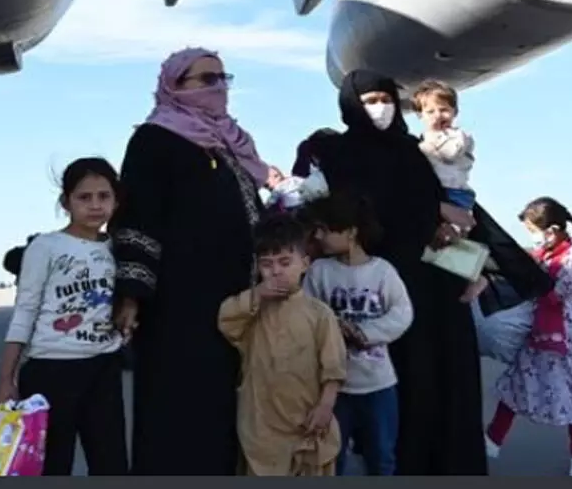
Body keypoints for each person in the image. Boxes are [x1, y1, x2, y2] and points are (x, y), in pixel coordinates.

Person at [291, 69, 551, 476]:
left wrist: (471, 258)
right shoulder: (340, 153)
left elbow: (453, 218)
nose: (380, 107)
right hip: (377, 285)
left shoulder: (414, 150)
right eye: (370, 99)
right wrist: (431, 212)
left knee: (446, 380)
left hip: (434, 285)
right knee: (398, 390)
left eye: (386, 97)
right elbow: (363, 208)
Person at [111, 48, 270, 475]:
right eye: (205, 78)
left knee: (226, 414)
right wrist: (131, 294)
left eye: (223, 77)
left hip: (236, 304)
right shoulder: (154, 140)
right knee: (178, 414)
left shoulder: (230, 142)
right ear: (174, 85)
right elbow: (137, 218)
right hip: (179, 308)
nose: (217, 86)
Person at [0, 158, 128, 476]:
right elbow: (25, 310)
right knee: (52, 465)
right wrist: (5, 378)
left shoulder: (118, 249)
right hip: (50, 372)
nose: (95, 205)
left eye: (103, 196)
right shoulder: (46, 247)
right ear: (65, 202)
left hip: (103, 369)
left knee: (111, 464)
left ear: (116, 200)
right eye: (84, 197)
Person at [484, 198, 572, 477]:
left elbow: (557, 294)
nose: (533, 238)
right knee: (516, 385)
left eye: (534, 230)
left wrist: (527, 279)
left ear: (553, 229)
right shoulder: (543, 254)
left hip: (565, 338)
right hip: (537, 332)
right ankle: (492, 439)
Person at [218, 212, 348, 476]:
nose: (276, 271)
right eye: (267, 264)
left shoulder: (319, 314)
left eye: (285, 262)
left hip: (306, 424)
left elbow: (334, 367)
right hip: (261, 427)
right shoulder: (253, 310)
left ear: (305, 263)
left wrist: (325, 406)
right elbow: (226, 320)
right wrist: (256, 295)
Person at [301, 189, 414, 476]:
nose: (317, 237)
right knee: (330, 459)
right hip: (334, 387)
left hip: (378, 385)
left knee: (381, 458)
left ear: (350, 231)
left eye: (324, 230)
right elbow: (306, 314)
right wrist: (330, 329)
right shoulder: (319, 272)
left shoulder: (382, 272)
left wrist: (364, 332)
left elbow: (402, 313)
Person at [412, 80, 477, 212]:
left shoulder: (459, 136)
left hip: (455, 193)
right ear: (421, 115)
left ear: (454, 112)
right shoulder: (423, 138)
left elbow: (450, 153)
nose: (438, 115)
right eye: (430, 112)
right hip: (435, 192)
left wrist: (428, 142)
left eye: (444, 110)